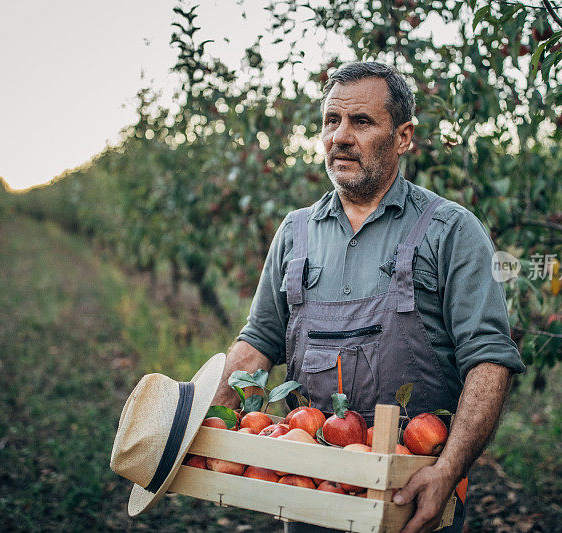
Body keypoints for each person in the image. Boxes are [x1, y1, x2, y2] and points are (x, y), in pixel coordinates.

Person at [211, 61, 526, 533]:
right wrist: (204, 427)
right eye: (331, 121)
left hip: (409, 493)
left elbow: (489, 359)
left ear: (403, 137)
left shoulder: (451, 230)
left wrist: (447, 471)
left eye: (361, 122)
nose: (340, 136)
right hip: (312, 487)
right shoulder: (296, 233)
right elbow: (258, 342)